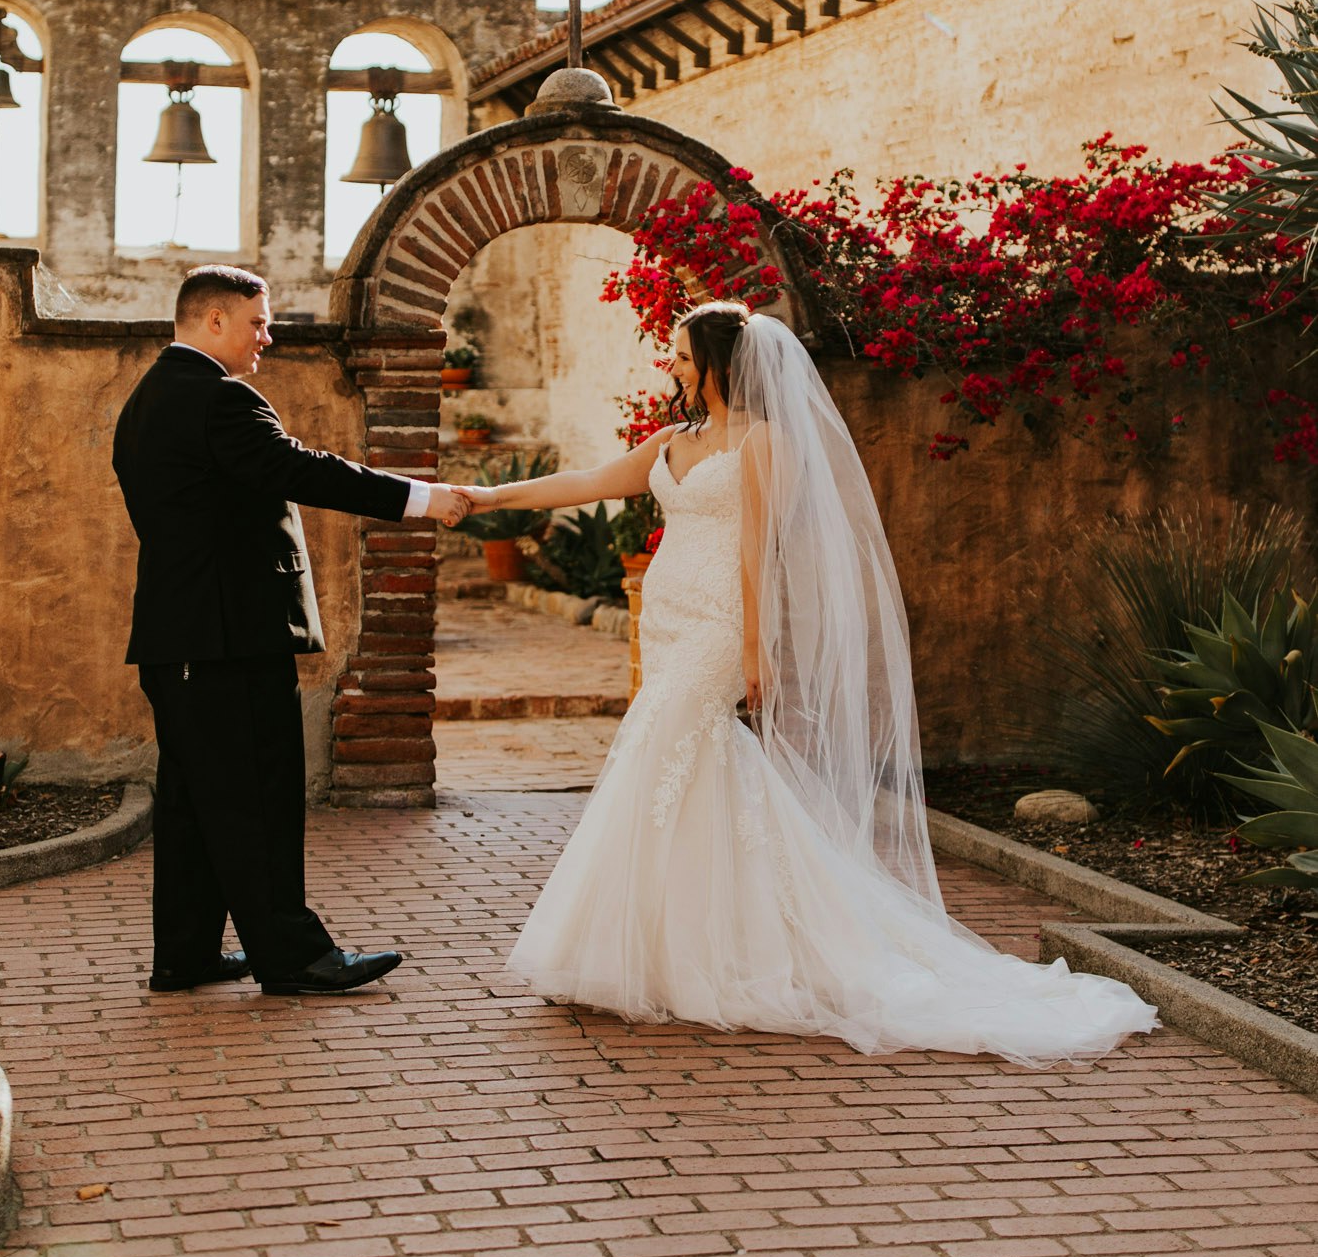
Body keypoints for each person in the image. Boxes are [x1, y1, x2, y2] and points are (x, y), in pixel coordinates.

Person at [464, 300, 1157, 1061]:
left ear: (722, 365)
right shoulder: (674, 440)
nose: (672, 367)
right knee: (684, 764)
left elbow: (762, 549)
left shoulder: (763, 442)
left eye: (684, 358)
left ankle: (687, 946)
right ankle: (679, 939)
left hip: (721, 624)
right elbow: (588, 480)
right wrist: (488, 499)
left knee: (662, 744)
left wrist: (757, 647)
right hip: (666, 618)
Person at [113, 263, 468, 998]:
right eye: (257, 321)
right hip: (227, 641)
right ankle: (295, 957)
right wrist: (421, 499)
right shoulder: (218, 398)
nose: (266, 337)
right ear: (213, 321)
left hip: (183, 642)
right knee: (256, 798)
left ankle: (185, 956)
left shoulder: (149, 398)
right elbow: (305, 470)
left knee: (193, 801)